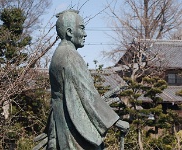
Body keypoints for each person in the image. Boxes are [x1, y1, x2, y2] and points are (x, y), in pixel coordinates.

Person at [34, 9, 129, 150]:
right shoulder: (70, 56)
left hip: (61, 122)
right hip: (72, 127)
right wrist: (114, 121)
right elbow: (87, 93)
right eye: (82, 28)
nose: (85, 34)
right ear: (69, 32)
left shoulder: (58, 54)